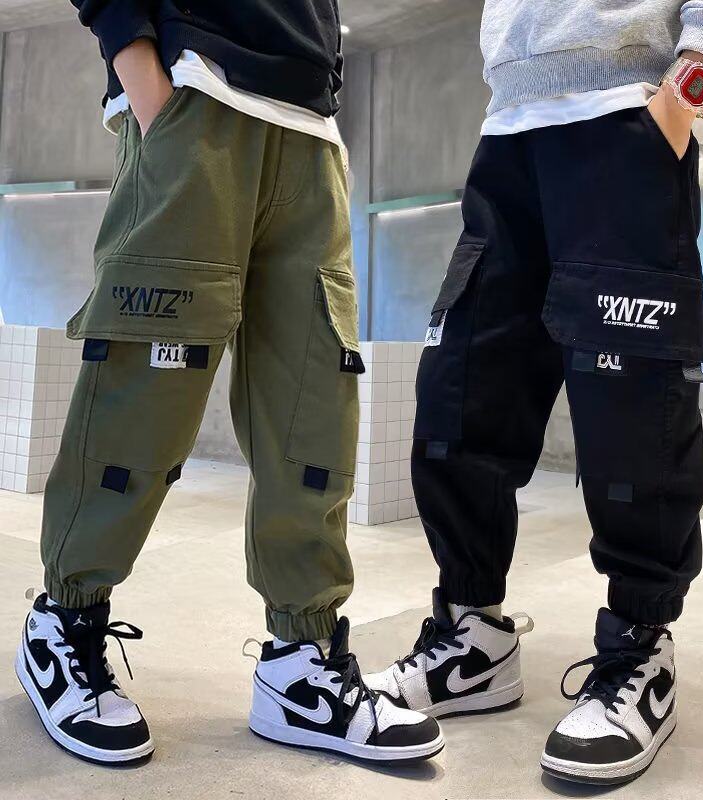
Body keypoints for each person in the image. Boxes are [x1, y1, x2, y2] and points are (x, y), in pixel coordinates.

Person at [365, 0, 703, 785]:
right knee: (461, 395)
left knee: (631, 413)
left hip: (627, 118)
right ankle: (474, 637)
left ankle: (639, 648)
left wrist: (689, 81)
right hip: (509, 131)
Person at [15, 0, 443, 766]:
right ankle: (63, 625)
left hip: (309, 131)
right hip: (194, 98)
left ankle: (300, 663)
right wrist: (144, 76)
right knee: (146, 401)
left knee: (315, 415)